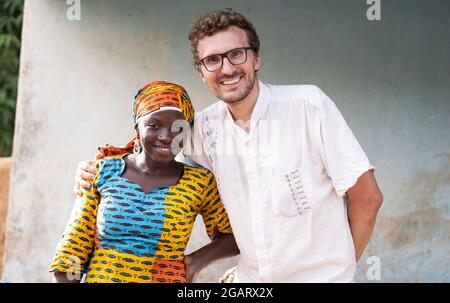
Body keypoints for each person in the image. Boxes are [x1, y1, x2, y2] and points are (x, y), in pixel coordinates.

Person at [75, 9, 383, 282]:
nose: (227, 69)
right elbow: (147, 160)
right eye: (212, 60)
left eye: (237, 54)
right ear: (202, 72)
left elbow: (367, 198)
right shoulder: (204, 130)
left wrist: (338, 271)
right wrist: (94, 169)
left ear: (256, 58)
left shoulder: (308, 107)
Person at [50, 81, 238, 283]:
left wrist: (196, 262)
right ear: (137, 127)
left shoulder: (199, 183)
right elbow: (73, 250)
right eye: (154, 125)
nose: (166, 136)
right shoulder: (103, 171)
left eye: (178, 127)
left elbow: (233, 238)